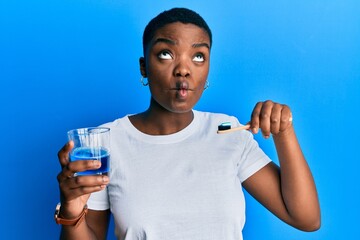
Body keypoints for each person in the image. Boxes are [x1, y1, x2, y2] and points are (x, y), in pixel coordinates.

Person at [55, 7, 321, 240]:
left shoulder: (227, 132)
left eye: (198, 57)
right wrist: (72, 209)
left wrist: (283, 131)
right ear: (143, 67)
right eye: (166, 54)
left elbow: (306, 219)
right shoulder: (107, 142)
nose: (184, 69)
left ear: (207, 70)